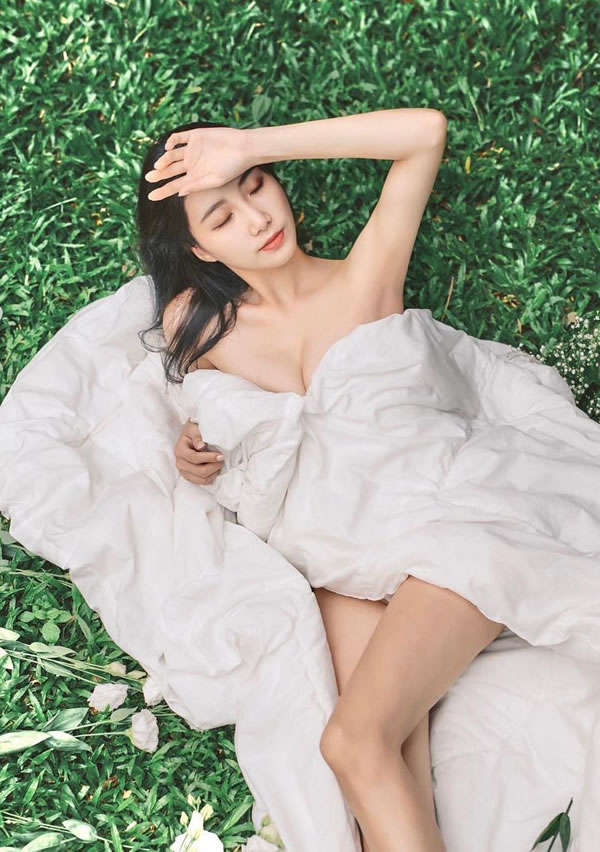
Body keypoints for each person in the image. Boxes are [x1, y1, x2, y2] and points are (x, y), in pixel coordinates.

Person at [138, 110, 600, 851]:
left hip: (452, 526)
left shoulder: (365, 276)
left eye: (256, 185)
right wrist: (192, 442)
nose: (257, 219)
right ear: (200, 249)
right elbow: (220, 415)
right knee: (376, 790)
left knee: (354, 743)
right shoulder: (197, 323)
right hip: (341, 558)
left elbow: (426, 134)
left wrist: (251, 143)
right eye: (222, 218)